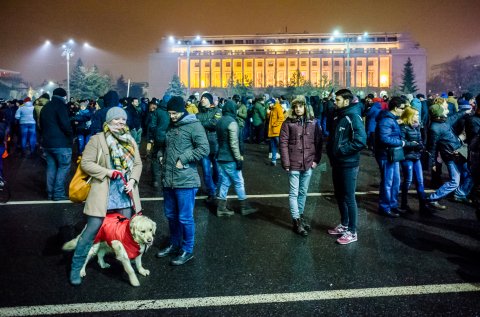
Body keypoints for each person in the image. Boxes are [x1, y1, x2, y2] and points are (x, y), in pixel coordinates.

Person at [68, 107, 143, 285]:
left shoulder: (130, 140)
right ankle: (76, 267)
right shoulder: (97, 139)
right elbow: (86, 163)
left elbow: (138, 164)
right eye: (117, 119)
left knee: (124, 232)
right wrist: (108, 172)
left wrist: (132, 180)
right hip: (103, 193)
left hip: (124, 194)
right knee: (91, 231)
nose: (121, 122)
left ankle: (125, 265)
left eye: (123, 119)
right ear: (108, 121)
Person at [156, 96, 209, 266]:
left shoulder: (194, 126)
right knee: (171, 216)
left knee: (185, 218)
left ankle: (188, 249)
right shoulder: (172, 126)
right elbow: (164, 146)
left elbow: (204, 148)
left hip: (185, 180)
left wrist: (184, 159)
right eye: (170, 113)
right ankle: (175, 244)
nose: (172, 116)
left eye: (175, 113)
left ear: (182, 110)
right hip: (169, 179)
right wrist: (161, 156)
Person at [326, 89, 367, 244]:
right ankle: (344, 224)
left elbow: (360, 140)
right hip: (337, 162)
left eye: (337, 100)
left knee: (349, 197)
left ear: (346, 101)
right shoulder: (340, 114)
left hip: (349, 163)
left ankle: (352, 231)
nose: (334, 102)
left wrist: (342, 151)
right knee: (339, 194)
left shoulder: (353, 116)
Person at [279, 95, 322, 236]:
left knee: (303, 192)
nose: (298, 109)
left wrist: (316, 160)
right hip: (293, 163)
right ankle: (296, 221)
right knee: (293, 193)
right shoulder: (287, 123)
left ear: (305, 107)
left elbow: (319, 142)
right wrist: (286, 163)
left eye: (300, 106)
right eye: (295, 106)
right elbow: (283, 144)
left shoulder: (314, 122)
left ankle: (301, 217)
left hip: (308, 163)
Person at [426, 100, 473, 210]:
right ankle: (433, 199)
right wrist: (433, 163)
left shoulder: (443, 121)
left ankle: (460, 194)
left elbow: (454, 117)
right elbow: (432, 147)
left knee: (470, 172)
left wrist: (465, 112)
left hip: (458, 152)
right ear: (438, 115)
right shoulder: (434, 128)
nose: (446, 111)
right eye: (444, 110)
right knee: (454, 182)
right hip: (450, 156)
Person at [215, 100, 257, 217]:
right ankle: (244, 207)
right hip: (230, 158)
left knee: (225, 181)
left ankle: (221, 207)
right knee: (239, 181)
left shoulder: (220, 121)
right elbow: (234, 143)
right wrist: (239, 159)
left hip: (220, 157)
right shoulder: (232, 122)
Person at [374, 96, 407, 218]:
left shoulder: (390, 119)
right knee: (388, 182)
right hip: (386, 154)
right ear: (396, 108)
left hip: (391, 154)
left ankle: (392, 205)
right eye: (402, 108)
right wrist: (401, 142)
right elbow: (384, 138)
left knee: (395, 181)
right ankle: (385, 207)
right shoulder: (387, 120)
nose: (403, 111)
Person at [39, 88, 73, 200]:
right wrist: (71, 135)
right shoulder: (61, 106)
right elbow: (65, 125)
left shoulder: (46, 107)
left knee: (51, 168)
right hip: (61, 143)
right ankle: (58, 193)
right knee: (63, 167)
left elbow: (41, 126)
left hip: (47, 143)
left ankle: (50, 193)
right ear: (64, 96)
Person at [399, 106, 430, 214]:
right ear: (410, 115)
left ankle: (423, 205)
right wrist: (413, 145)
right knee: (408, 181)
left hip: (416, 157)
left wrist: (420, 146)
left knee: (420, 181)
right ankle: (404, 204)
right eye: (416, 114)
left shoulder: (417, 127)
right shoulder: (403, 127)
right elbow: (401, 142)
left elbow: (420, 140)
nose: (418, 116)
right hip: (407, 157)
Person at [196, 92, 222, 204]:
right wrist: (206, 123)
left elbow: (215, 123)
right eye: (202, 98)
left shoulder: (217, 111)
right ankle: (212, 193)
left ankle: (215, 187)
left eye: (205, 98)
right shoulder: (198, 114)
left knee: (217, 171)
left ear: (210, 101)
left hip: (215, 145)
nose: (203, 100)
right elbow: (197, 125)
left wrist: (203, 123)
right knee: (206, 172)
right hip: (203, 146)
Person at [267, 98, 285, 166]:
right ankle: (273, 160)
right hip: (271, 131)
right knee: (273, 146)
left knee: (281, 146)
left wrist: (275, 124)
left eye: (270, 103)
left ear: (273, 102)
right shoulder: (272, 108)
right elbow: (269, 118)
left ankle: (285, 160)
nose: (269, 105)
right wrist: (268, 113)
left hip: (276, 131)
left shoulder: (278, 107)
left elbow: (281, 118)